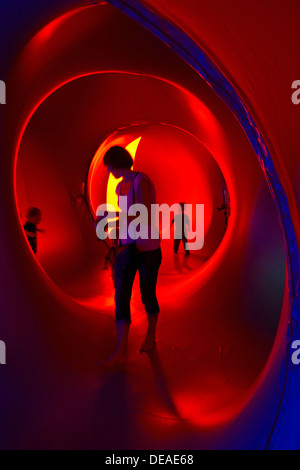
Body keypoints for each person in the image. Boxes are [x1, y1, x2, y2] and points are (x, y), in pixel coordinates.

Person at [99, 146, 162, 367]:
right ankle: (120, 351)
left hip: (147, 249)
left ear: (114, 164)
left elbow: (142, 215)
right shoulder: (119, 187)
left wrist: (112, 217)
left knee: (147, 296)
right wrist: (117, 237)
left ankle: (150, 336)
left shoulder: (141, 181)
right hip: (127, 248)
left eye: (108, 165)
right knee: (121, 298)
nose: (108, 170)